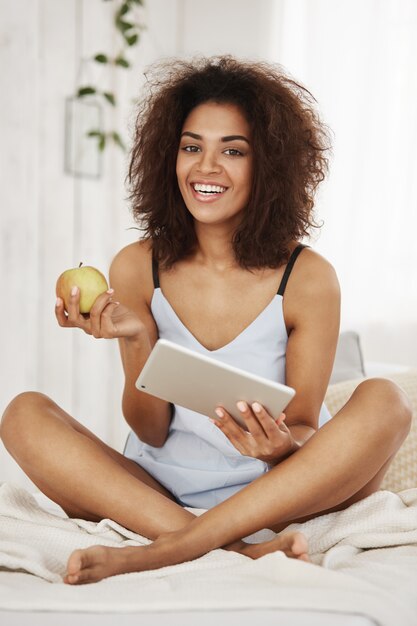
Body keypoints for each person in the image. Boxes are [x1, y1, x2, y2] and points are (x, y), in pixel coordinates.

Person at [0, 56, 411, 584]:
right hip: (159, 492)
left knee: (387, 400)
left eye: (232, 151)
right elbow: (149, 426)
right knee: (23, 414)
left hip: (279, 496)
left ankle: (169, 549)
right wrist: (141, 335)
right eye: (192, 147)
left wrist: (280, 446)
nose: (206, 168)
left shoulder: (307, 277)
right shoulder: (136, 265)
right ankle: (237, 551)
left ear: (270, 166)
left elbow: (306, 426)